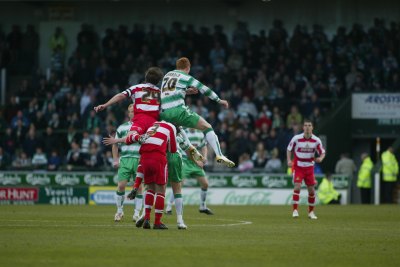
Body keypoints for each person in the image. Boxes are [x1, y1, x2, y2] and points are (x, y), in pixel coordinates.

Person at [159, 57, 235, 168]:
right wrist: (219, 100)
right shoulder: (185, 76)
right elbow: (204, 89)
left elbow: (168, 93)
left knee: (178, 130)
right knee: (207, 127)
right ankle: (219, 155)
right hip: (178, 111)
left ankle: (189, 146)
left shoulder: (167, 75)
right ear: (188, 68)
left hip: (164, 113)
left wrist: (186, 91)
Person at [104, 120, 178, 229]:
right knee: (161, 191)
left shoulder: (148, 125)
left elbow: (130, 139)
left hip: (144, 158)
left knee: (150, 189)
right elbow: (173, 149)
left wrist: (135, 186)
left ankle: (147, 218)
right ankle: (157, 222)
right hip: (158, 158)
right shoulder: (171, 127)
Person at [94, 67, 164, 138]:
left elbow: (121, 96)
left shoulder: (137, 87)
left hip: (140, 120)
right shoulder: (160, 92)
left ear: (146, 77)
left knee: (129, 138)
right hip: (154, 123)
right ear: (158, 81)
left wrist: (105, 105)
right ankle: (142, 137)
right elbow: (162, 110)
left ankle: (139, 137)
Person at [167, 128, 213, 215]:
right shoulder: (184, 133)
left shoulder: (200, 133)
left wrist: (205, 157)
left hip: (196, 163)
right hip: (185, 161)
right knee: (179, 184)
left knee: (205, 184)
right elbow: (184, 148)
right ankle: (169, 207)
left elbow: (203, 146)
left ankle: (203, 206)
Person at [287, 119, 326, 219]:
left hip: (309, 168)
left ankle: (311, 212)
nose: (307, 127)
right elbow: (289, 149)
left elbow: (322, 152)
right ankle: (295, 210)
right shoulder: (296, 138)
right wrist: (289, 160)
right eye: (305, 125)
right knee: (297, 187)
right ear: (303, 127)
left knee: (312, 191)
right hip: (298, 167)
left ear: (312, 127)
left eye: (309, 125)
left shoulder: (316, 140)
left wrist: (321, 158)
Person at [113, 104, 144, 222]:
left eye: (135, 111)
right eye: (131, 111)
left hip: (139, 159)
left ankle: (136, 214)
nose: (133, 113)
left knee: (139, 188)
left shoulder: (143, 127)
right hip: (125, 159)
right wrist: (115, 159)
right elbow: (115, 143)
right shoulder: (122, 128)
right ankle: (119, 211)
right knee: (121, 185)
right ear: (128, 113)